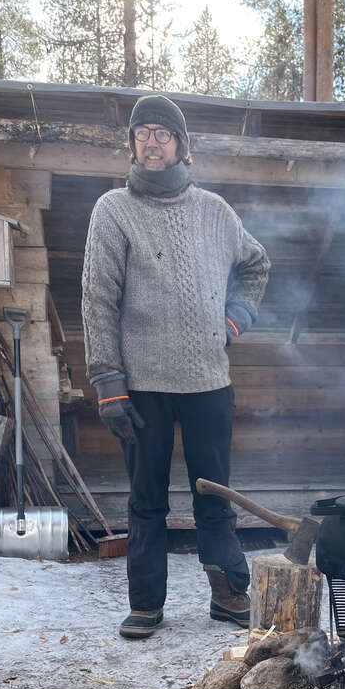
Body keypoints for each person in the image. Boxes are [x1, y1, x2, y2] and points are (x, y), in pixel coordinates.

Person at [82, 95, 270, 639]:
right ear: (133, 144)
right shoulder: (113, 210)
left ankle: (228, 592)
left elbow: (256, 264)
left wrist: (234, 319)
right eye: (143, 133)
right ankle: (146, 603)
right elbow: (97, 298)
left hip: (210, 381)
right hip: (141, 386)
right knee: (146, 500)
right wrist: (107, 381)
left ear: (181, 145)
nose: (152, 142)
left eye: (163, 133)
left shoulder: (215, 211)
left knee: (214, 493)